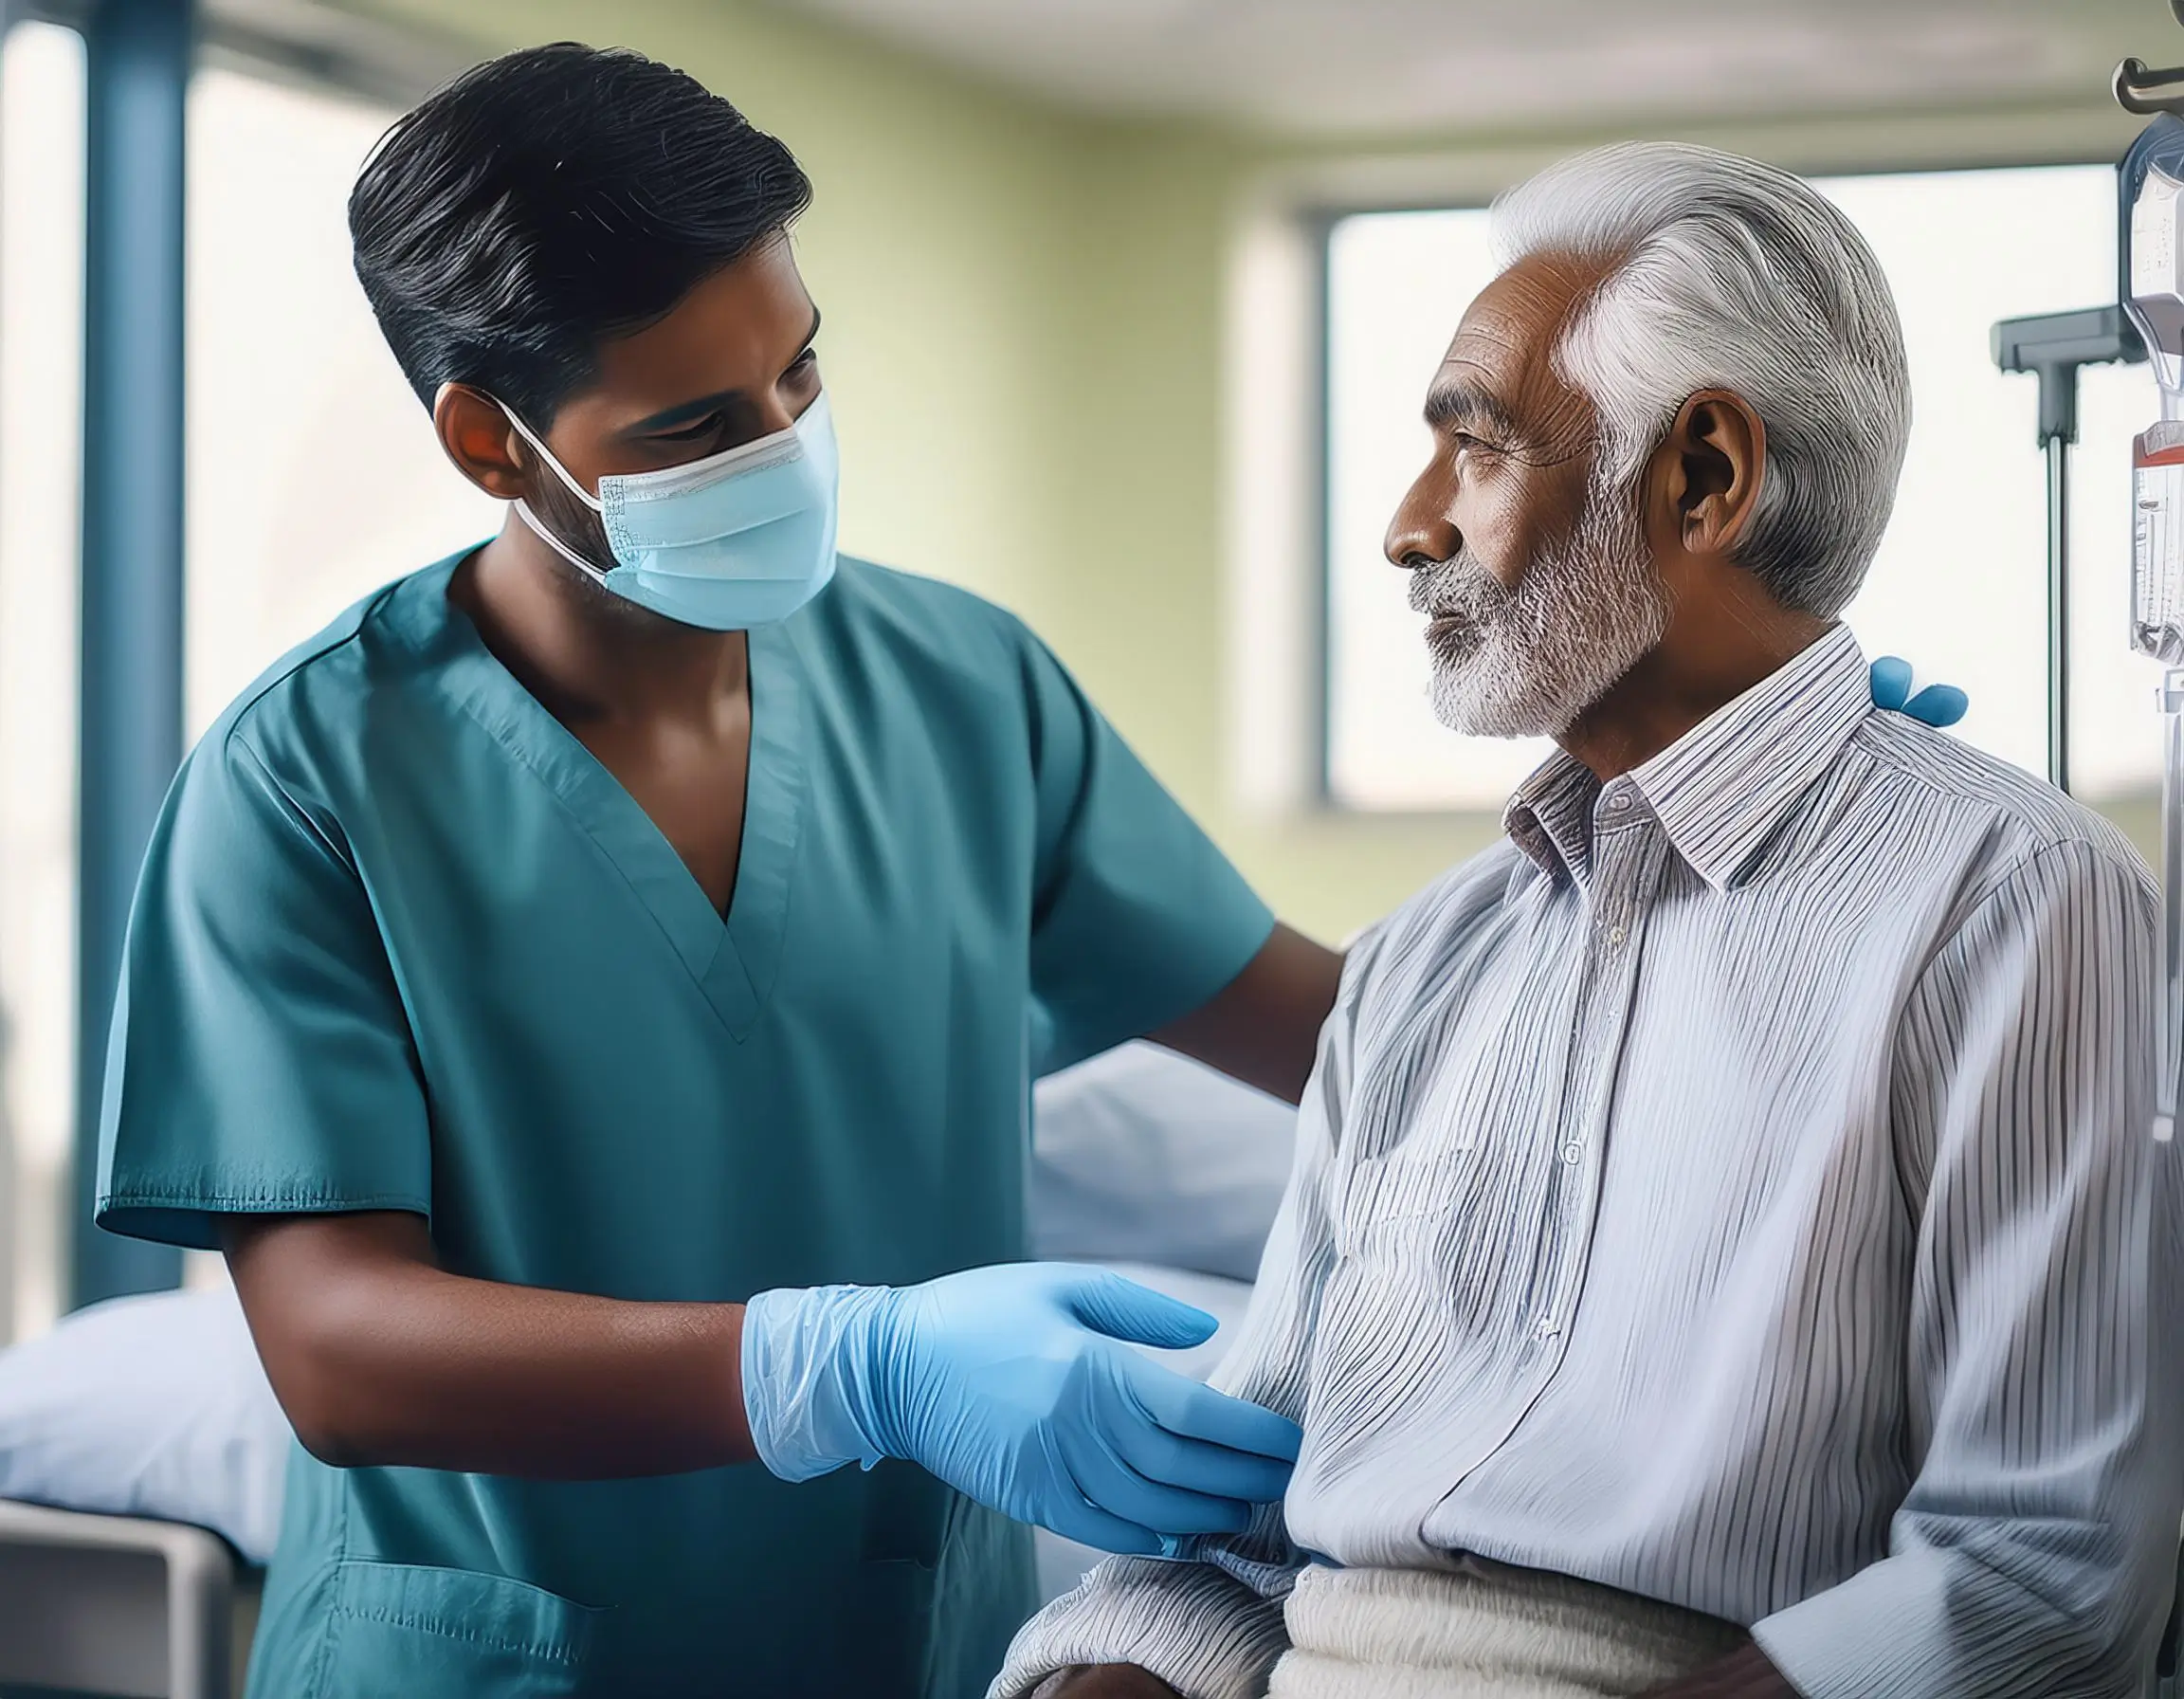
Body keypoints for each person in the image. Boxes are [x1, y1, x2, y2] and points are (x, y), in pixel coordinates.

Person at [87, 46, 1968, 1698]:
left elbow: (1360, 1038)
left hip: (919, 1636)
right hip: (505, 1656)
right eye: (694, 427)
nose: (785, 447)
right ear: (492, 441)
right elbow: (332, 1342)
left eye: (799, 371)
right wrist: (866, 1365)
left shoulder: (960, 690)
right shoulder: (309, 779)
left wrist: (1718, 835)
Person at [994, 143, 2180, 1699]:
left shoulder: (2007, 903)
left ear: (1702, 475)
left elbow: (2038, 1572)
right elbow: (1234, 1544)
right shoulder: (1426, 960)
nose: (1410, 529)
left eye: (1475, 450)